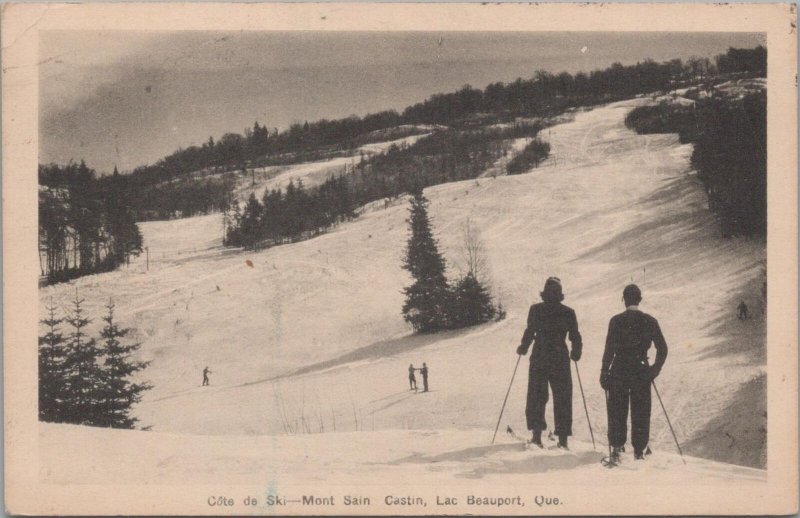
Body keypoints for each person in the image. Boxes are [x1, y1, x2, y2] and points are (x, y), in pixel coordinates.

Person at [600, 284, 668, 461]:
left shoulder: (615, 321)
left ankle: (617, 447)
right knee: (641, 410)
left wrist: (604, 371)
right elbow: (663, 348)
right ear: (640, 299)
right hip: (640, 370)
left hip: (619, 369)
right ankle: (639, 450)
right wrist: (654, 370)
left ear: (624, 300)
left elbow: (609, 349)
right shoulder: (650, 320)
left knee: (617, 409)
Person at [516, 277, 582, 450]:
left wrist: (523, 347)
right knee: (563, 398)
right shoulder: (568, 312)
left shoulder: (536, 309)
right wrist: (576, 351)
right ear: (560, 294)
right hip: (560, 358)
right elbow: (575, 336)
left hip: (540, 356)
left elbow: (530, 331)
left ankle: (537, 436)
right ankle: (563, 440)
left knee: (537, 397)